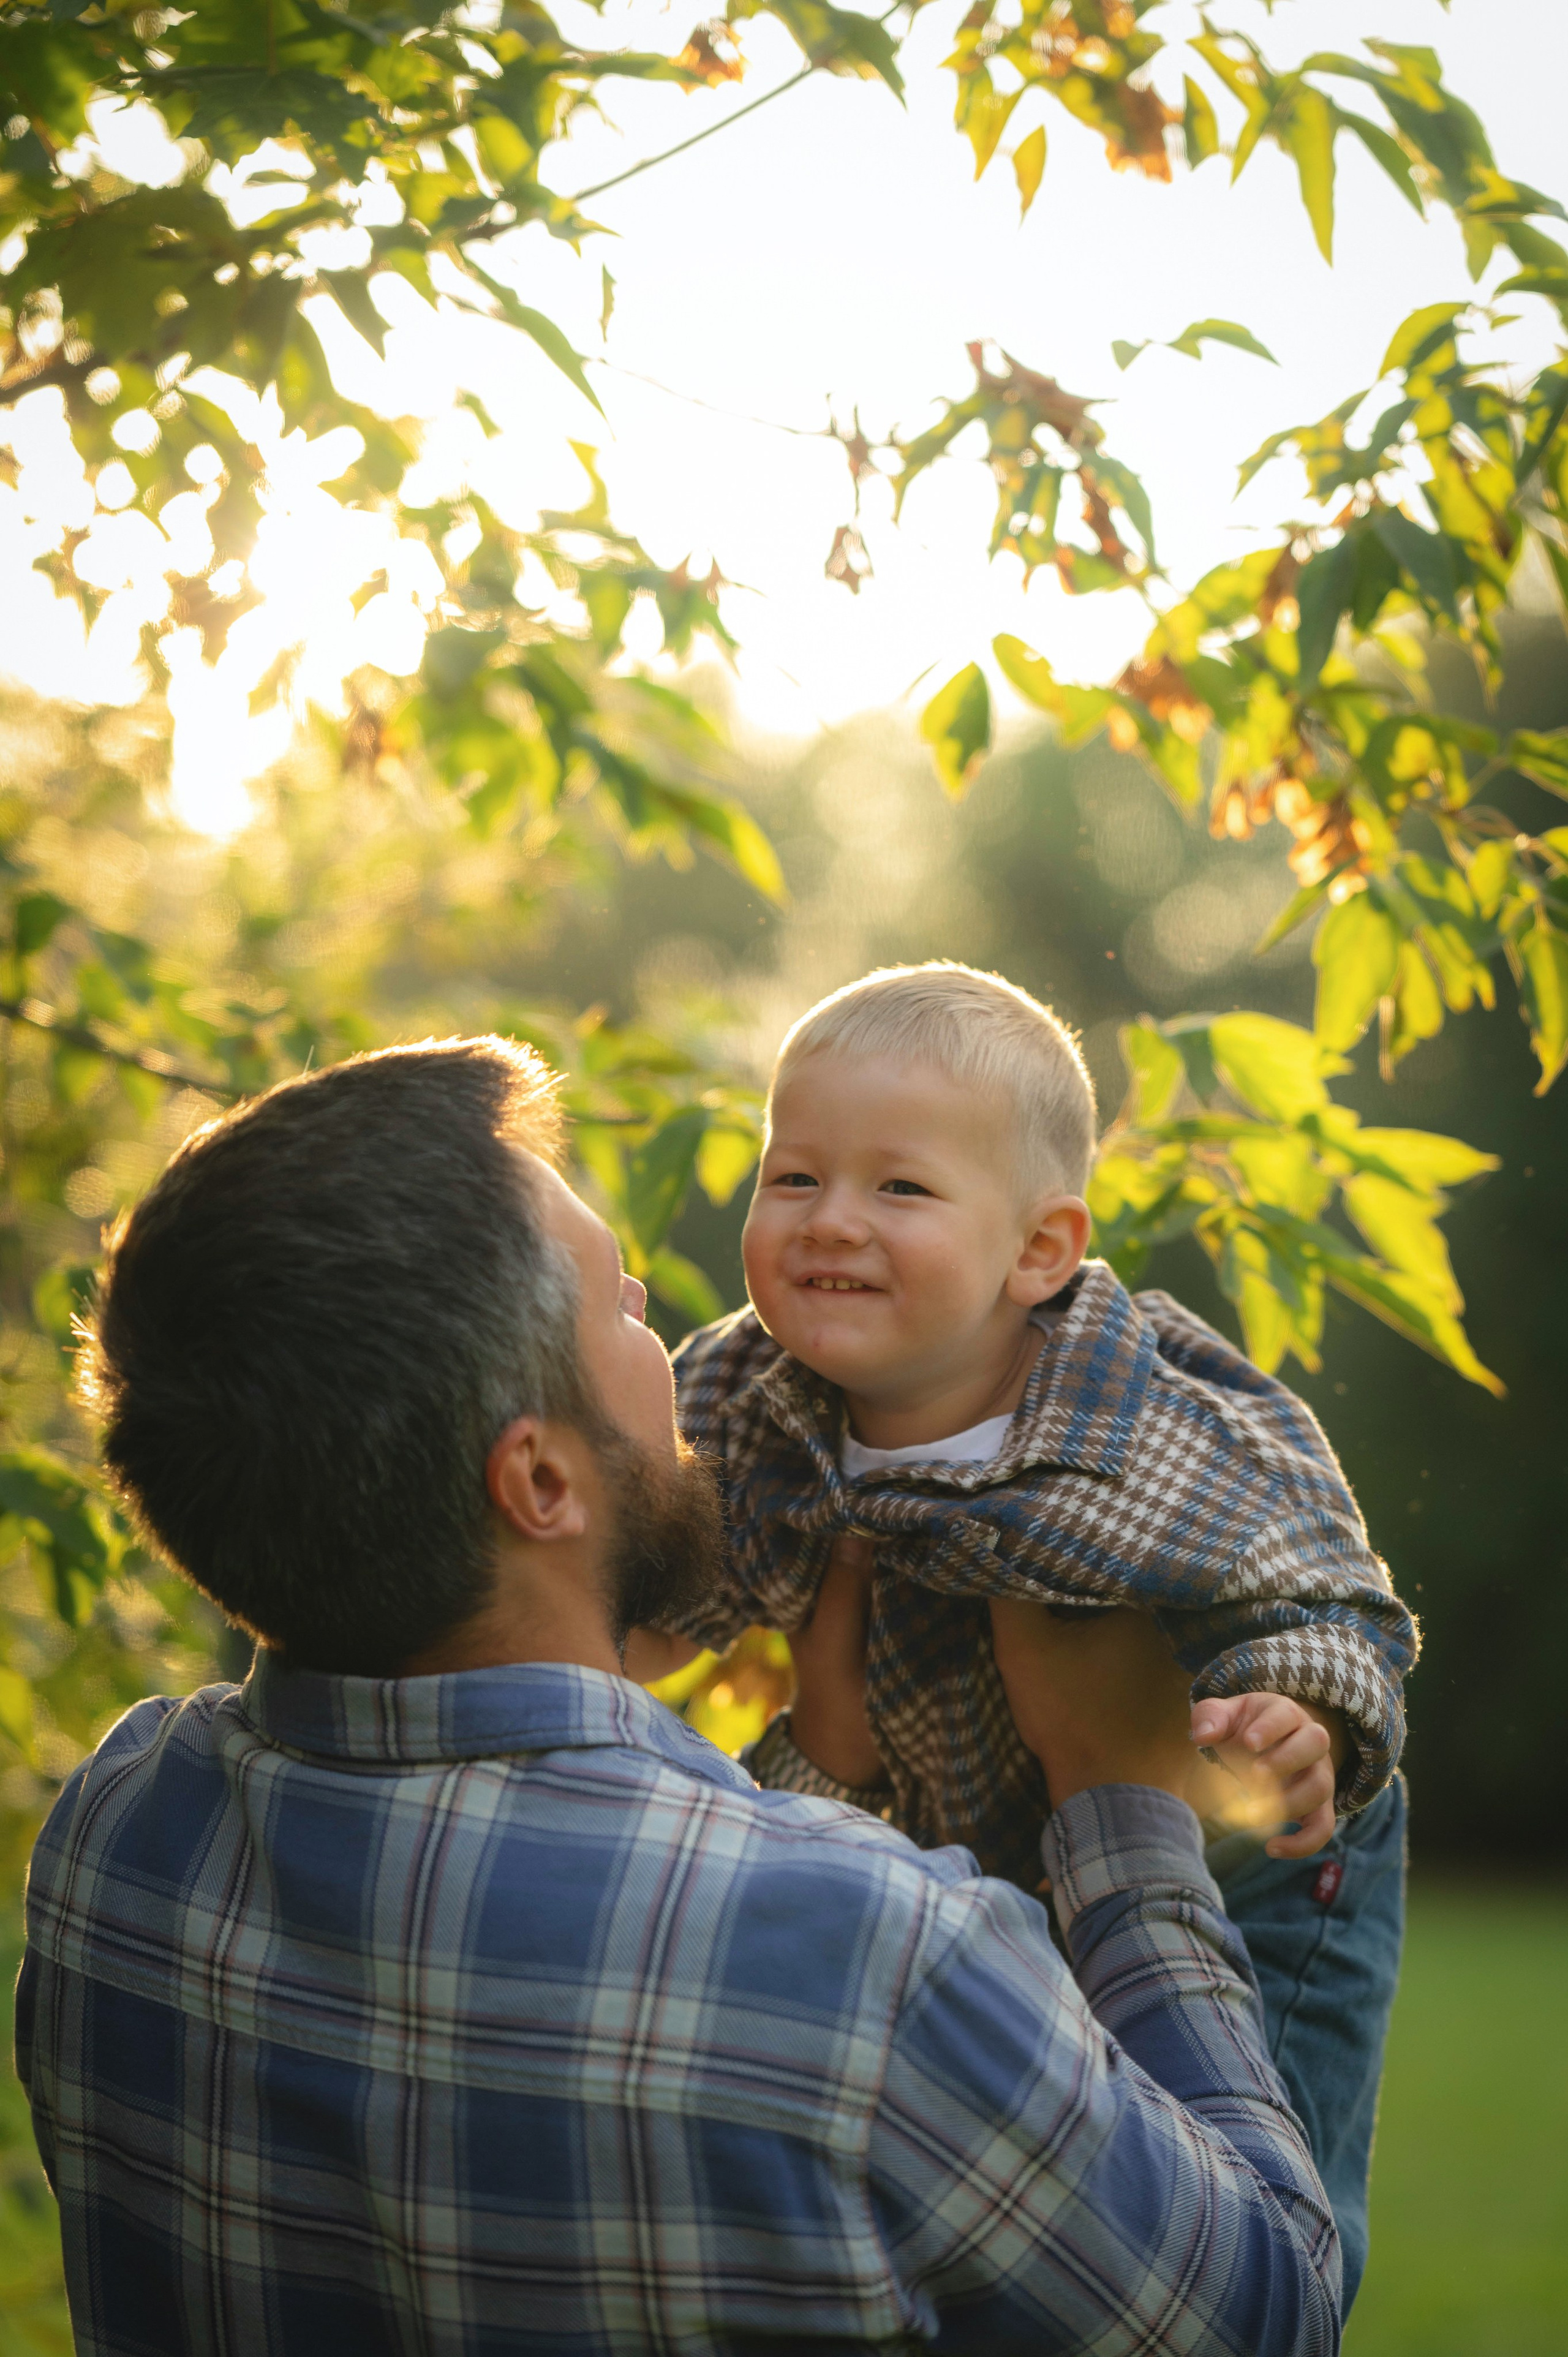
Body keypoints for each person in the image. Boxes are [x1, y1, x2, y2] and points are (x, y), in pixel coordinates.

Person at [17, 1036, 1339, 2353]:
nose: (660, 1305)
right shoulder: (878, 1959)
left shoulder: (119, 1837)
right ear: (540, 1483)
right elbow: (1259, 2316)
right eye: (617, 1309)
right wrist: (1117, 1800)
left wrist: (822, 1764)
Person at [662, 962, 1414, 2308]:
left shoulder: (1129, 1407)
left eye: (898, 1188)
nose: (830, 1221)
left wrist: (1297, 1711)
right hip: (972, 1828)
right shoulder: (739, 1391)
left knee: (1252, 2153)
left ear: (1038, 1251)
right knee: (1041, 2196)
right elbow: (639, 1574)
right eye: (792, 1178)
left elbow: (1313, 1579)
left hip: (1242, 1842)